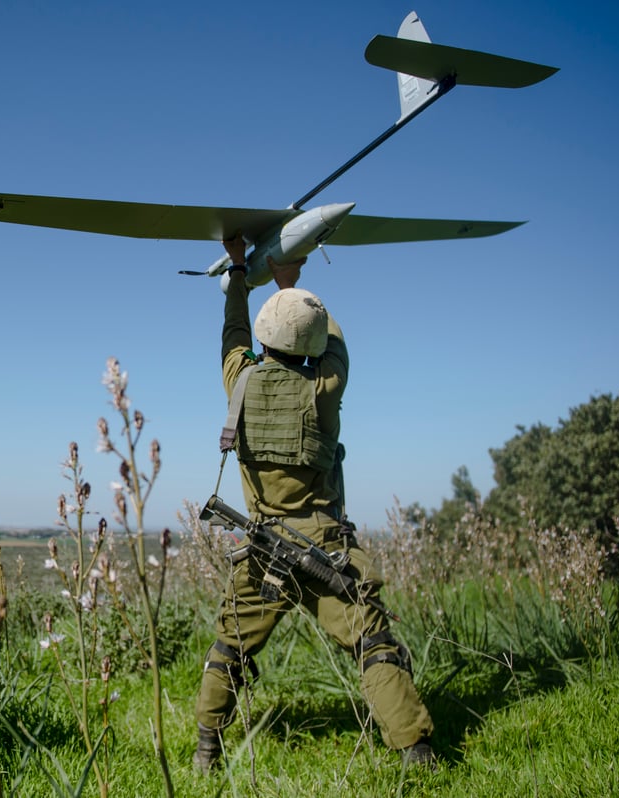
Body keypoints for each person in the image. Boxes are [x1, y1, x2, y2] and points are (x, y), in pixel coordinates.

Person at [192, 236, 435, 772]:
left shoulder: (240, 382)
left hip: (264, 550)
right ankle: (417, 753)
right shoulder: (325, 386)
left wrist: (240, 269)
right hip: (326, 551)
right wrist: (292, 283)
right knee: (374, 644)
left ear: (262, 338)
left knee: (230, 647)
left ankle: (206, 749)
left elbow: (233, 334)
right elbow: (334, 340)